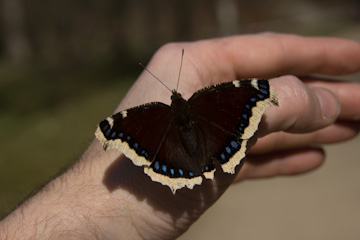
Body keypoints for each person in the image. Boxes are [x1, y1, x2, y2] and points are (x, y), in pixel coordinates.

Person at [0, 33, 359, 240]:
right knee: (229, 125)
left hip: (173, 156)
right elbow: (248, 92)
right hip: (220, 142)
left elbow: (252, 94)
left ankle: (189, 168)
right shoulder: (211, 99)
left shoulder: (145, 116)